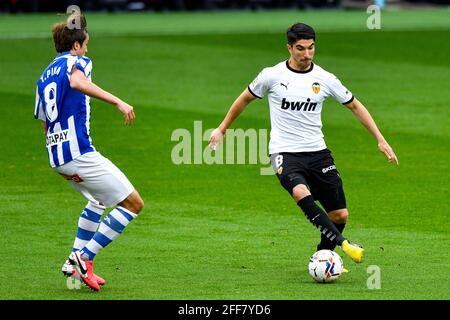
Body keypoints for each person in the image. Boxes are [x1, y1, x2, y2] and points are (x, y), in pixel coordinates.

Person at [209, 22, 398, 264]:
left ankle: (323, 255)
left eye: (311, 48)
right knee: (300, 191)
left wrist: (380, 140)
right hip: (284, 153)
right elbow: (244, 99)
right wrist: (222, 129)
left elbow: (354, 105)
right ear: (289, 47)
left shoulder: (325, 78)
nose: (306, 54)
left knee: (340, 214)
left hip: (318, 152)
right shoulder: (272, 75)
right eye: (300, 48)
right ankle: (344, 244)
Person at [34, 13, 144, 291]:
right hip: (79, 154)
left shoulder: (44, 75)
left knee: (97, 201)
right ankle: (85, 258)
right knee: (133, 204)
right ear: (75, 46)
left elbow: (45, 121)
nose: (87, 49)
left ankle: (73, 260)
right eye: (85, 44)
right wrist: (118, 101)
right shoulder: (76, 63)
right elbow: (78, 82)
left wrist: (59, 153)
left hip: (58, 158)